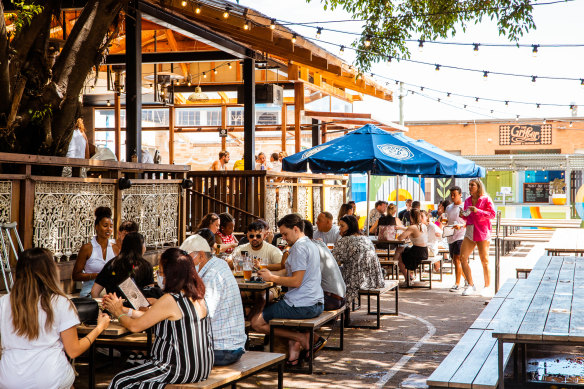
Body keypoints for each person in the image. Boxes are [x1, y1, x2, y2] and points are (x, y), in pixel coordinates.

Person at [0, 248, 110, 389]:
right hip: (49, 376)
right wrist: (100, 327)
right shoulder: (60, 303)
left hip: (10, 377)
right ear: (49, 271)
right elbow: (73, 350)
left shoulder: (3, 303)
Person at [103, 248, 214, 387]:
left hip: (176, 369)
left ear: (172, 274)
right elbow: (148, 317)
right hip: (201, 368)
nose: (160, 276)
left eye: (161, 272)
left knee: (120, 382)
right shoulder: (197, 297)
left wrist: (118, 312)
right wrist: (121, 309)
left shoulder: (170, 299)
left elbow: (135, 326)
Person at [252, 214, 324, 367]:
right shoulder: (310, 244)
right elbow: (288, 273)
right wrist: (268, 275)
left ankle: (301, 338)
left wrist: (272, 277)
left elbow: (296, 281)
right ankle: (297, 347)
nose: (283, 238)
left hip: (302, 305)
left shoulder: (299, 248)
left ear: (296, 229)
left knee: (256, 323)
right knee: (271, 307)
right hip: (315, 302)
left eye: (285, 234)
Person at [181, 233, 247, 366]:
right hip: (230, 346)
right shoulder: (218, 264)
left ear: (200, 255)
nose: (185, 263)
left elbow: (203, 314)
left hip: (222, 349)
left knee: (171, 352)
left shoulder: (211, 275)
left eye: (187, 259)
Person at [332, 215, 384, 314]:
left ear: (350, 227)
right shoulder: (365, 238)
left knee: (330, 279)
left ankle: (336, 311)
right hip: (373, 279)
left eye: (342, 226)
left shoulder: (345, 241)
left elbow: (332, 261)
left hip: (356, 281)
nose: (340, 228)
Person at [459, 179, 496, 296]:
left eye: (472, 185)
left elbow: (492, 214)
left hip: (482, 231)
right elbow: (467, 217)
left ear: (478, 186)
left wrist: (478, 210)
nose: (470, 187)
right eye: (469, 185)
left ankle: (487, 286)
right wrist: (462, 215)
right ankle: (470, 284)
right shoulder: (468, 200)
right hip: (470, 231)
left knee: (484, 260)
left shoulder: (485, 199)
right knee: (462, 258)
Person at [73, 206, 119, 297]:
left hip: (110, 293)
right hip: (89, 291)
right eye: (105, 226)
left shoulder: (115, 248)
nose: (108, 229)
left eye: (111, 226)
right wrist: (97, 275)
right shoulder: (87, 248)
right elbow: (75, 275)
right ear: (96, 227)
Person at [91, 232, 153, 298]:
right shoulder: (146, 266)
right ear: (141, 246)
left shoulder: (111, 264)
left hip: (113, 306)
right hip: (136, 307)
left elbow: (94, 291)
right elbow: (150, 293)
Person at [393, 209, 428, 283]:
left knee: (399, 254)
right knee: (401, 249)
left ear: (411, 217)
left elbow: (400, 238)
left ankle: (406, 277)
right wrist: (401, 228)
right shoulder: (423, 225)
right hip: (424, 251)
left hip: (417, 252)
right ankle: (405, 275)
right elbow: (412, 230)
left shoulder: (412, 227)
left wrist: (403, 232)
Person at [446, 186, 467, 292]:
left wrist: (461, 226)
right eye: (451, 195)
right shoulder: (448, 208)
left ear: (460, 194)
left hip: (461, 236)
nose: (453, 196)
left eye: (455, 194)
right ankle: (467, 279)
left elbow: (469, 222)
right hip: (451, 236)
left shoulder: (464, 207)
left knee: (457, 259)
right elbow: (447, 220)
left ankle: (457, 284)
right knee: (455, 261)